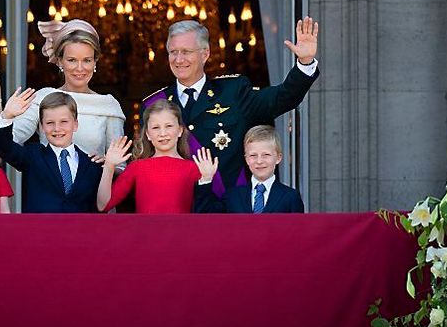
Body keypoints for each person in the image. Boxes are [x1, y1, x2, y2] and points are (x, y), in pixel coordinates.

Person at [144, 17, 319, 196]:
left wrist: (305, 64)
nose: (179, 59)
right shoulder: (154, 104)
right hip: (176, 206)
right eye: (173, 52)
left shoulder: (233, 91)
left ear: (205, 54)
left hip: (228, 206)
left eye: (186, 51)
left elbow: (281, 98)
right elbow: (144, 165)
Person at [0, 19, 125, 159]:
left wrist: (109, 165)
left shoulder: (109, 105)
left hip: (94, 190)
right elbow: (4, 144)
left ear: (95, 62)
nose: (79, 68)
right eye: (71, 60)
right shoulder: (43, 98)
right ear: (60, 61)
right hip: (48, 189)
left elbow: (120, 167)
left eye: (87, 60)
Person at [97, 100, 218, 214]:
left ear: (180, 130)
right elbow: (103, 205)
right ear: (148, 134)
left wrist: (207, 179)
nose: (163, 133)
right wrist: (109, 165)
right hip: (147, 234)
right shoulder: (137, 167)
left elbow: (205, 213)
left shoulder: (194, 168)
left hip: (183, 234)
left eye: (169, 126)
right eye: (156, 128)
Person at [0, 88, 101, 213]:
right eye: (50, 123)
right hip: (40, 231)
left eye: (64, 122)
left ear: (75, 124)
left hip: (79, 231)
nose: (57, 128)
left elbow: (102, 204)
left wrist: (110, 166)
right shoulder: (33, 156)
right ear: (42, 127)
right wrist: (7, 116)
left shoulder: (92, 164)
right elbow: (4, 146)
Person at [196, 125, 304, 214]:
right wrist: (206, 178)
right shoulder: (233, 196)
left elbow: (298, 233)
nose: (259, 161)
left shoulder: (291, 197)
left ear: (278, 158)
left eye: (266, 155)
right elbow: (207, 218)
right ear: (246, 159)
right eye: (253, 155)